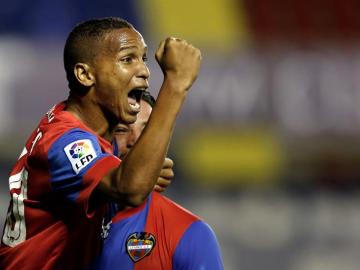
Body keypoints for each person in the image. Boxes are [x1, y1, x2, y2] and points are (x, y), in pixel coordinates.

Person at [0, 17, 201, 270]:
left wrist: (133, 167)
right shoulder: (64, 142)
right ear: (85, 74)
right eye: (127, 59)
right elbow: (130, 188)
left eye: (144, 59)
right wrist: (175, 85)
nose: (144, 71)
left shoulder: (93, 132)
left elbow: (120, 178)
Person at [90, 91, 224, 270]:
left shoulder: (191, 234)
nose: (136, 141)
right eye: (121, 130)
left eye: (147, 131)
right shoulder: (69, 219)